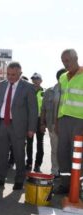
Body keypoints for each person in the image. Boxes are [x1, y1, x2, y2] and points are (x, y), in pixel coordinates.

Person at [0, 62, 38, 190]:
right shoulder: (2, 85)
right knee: (2, 152)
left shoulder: (28, 87)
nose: (10, 77)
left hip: (19, 125)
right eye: (8, 74)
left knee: (19, 154)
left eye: (14, 75)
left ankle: (19, 180)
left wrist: (31, 128)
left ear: (20, 74)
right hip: (2, 123)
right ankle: (0, 179)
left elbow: (33, 110)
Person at [54, 49, 83, 194]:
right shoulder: (63, 78)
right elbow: (59, 101)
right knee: (62, 153)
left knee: (77, 154)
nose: (65, 64)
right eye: (63, 61)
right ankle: (65, 185)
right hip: (63, 120)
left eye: (68, 61)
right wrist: (57, 121)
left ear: (76, 58)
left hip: (80, 121)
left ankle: (78, 186)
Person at [40, 68, 66, 178]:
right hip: (52, 126)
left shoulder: (70, 91)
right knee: (55, 150)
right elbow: (44, 109)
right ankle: (55, 171)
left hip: (66, 126)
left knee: (66, 150)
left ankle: (66, 173)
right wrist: (42, 123)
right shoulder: (49, 91)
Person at [26, 73, 45, 172]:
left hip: (40, 120)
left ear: (41, 80)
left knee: (40, 144)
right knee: (29, 143)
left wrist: (43, 123)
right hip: (29, 120)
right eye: (33, 79)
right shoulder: (28, 91)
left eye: (37, 79)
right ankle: (29, 163)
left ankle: (37, 165)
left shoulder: (44, 92)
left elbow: (46, 109)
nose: (35, 81)